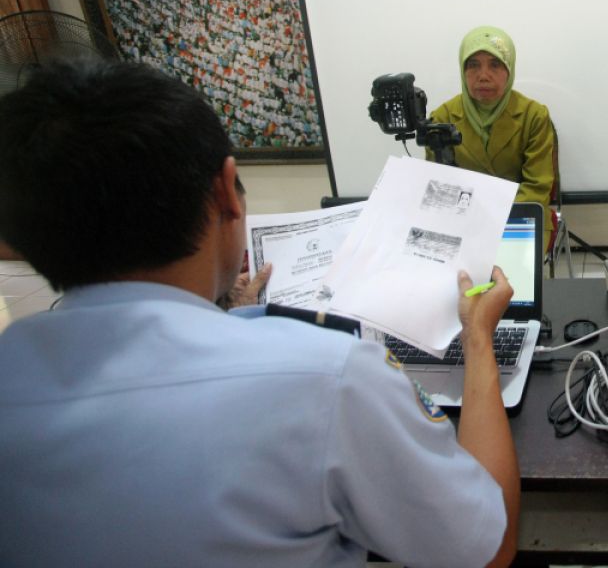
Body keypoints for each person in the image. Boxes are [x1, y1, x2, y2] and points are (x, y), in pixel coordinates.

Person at [0, 59, 520, 567]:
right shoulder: (332, 379)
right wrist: (477, 338)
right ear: (226, 191)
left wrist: (230, 316)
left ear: (15, 240)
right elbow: (483, 549)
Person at [429, 25, 555, 251]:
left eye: (495, 65)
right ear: (463, 70)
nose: (483, 76)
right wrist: (474, 226)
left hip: (520, 220)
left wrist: (493, 228)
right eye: (473, 65)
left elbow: (536, 188)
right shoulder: (442, 117)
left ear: (509, 70)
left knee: (514, 278)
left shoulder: (534, 116)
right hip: (462, 223)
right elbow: (440, 188)